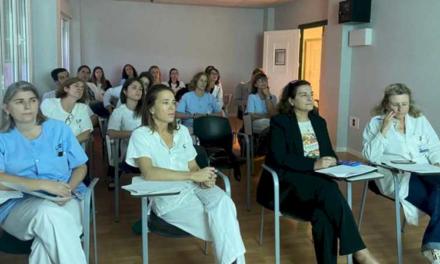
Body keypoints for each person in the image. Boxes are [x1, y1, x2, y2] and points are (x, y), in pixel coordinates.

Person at [257, 80, 379, 264]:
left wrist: (331, 161)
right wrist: (314, 164)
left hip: (314, 185)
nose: (309, 97)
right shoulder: (280, 122)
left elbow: (329, 152)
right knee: (327, 189)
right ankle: (359, 252)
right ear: (291, 101)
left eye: (310, 93)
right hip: (285, 185)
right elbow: (279, 157)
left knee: (322, 215)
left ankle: (355, 253)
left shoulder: (318, 122)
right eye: (303, 94)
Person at [125, 84, 246, 264]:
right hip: (169, 198)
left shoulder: (181, 131)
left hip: (195, 187)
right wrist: (192, 176)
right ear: (151, 108)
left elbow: (192, 166)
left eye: (173, 102)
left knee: (225, 203)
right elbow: (149, 173)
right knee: (224, 224)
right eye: (165, 103)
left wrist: (204, 176)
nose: (172, 107)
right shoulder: (141, 135)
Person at [0, 81, 88, 264]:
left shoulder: (59, 129)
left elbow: (80, 166)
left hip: (66, 196)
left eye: (32, 100)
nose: (27, 106)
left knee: (46, 239)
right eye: (19, 101)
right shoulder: (3, 138)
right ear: (6, 108)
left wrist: (68, 189)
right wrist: (40, 184)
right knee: (50, 215)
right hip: (18, 205)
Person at [362, 83, 440, 263]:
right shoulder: (376, 123)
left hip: (425, 170)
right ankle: (435, 250)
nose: (400, 109)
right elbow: (370, 156)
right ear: (386, 104)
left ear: (409, 103)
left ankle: (434, 247)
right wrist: (384, 129)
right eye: (395, 104)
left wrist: (436, 161)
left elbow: (434, 146)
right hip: (397, 176)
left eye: (404, 104)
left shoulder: (419, 119)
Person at [106, 78, 144, 188]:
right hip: (130, 152)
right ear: (125, 92)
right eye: (134, 88)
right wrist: (135, 133)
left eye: (141, 89)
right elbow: (111, 133)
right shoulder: (119, 111)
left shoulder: (146, 111)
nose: (138, 91)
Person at [41, 77, 93, 145]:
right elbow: (42, 127)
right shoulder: (49, 103)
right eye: (76, 86)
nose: (80, 89)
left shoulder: (82, 108)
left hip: (72, 149)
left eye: (82, 87)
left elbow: (86, 133)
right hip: (49, 146)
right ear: (66, 89)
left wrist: (67, 144)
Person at [244, 72, 276, 155]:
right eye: (260, 81)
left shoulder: (273, 97)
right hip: (254, 123)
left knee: (275, 126)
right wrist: (266, 115)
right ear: (255, 85)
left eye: (265, 80)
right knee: (270, 125)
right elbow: (251, 115)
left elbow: (273, 115)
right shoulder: (252, 97)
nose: (263, 82)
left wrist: (267, 97)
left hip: (268, 122)